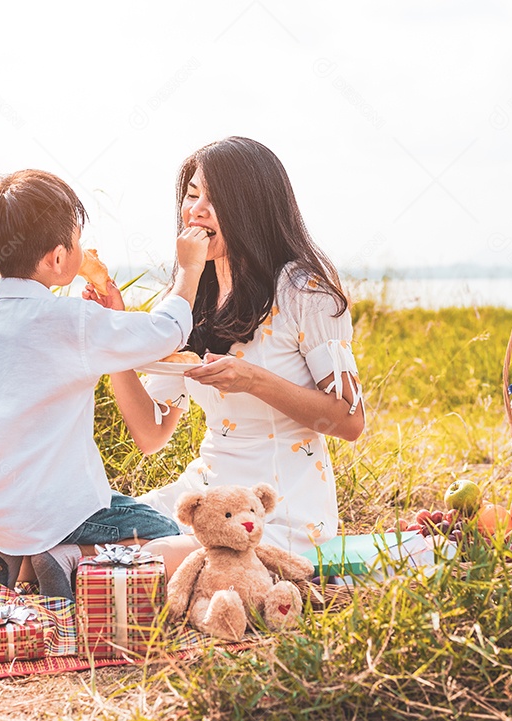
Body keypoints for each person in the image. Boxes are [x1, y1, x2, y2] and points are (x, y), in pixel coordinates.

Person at [103, 138, 365, 573]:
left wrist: (253, 381)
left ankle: (73, 568)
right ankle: (62, 562)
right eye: (191, 195)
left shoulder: (303, 290)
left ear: (251, 208)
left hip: (276, 510)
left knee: (147, 559)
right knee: (97, 527)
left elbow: (350, 422)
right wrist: (115, 343)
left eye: (215, 198)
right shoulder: (190, 293)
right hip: (205, 496)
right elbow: (150, 435)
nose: (196, 210)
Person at [0, 169, 209, 600]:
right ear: (56, 259)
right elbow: (168, 331)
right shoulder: (71, 322)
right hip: (62, 514)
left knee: (58, 512)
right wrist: (189, 268)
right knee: (175, 537)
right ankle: (73, 558)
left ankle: (16, 555)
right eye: (75, 238)